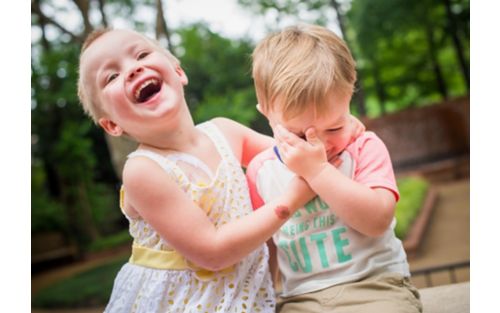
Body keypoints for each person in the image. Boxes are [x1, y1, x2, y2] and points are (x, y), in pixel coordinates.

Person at [77, 28, 364, 312]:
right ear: (112, 125)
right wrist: (292, 198)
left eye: (140, 54)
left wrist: (339, 130)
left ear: (178, 72)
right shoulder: (143, 171)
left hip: (241, 298)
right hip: (183, 303)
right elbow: (213, 252)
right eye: (112, 76)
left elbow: (291, 154)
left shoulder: (225, 131)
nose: (132, 69)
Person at [246, 23, 423, 313]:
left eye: (334, 127)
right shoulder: (261, 171)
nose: (320, 146)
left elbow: (377, 220)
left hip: (376, 287)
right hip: (300, 299)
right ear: (266, 113)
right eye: (300, 135)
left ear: (349, 93)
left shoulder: (364, 148)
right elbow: (267, 247)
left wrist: (317, 172)